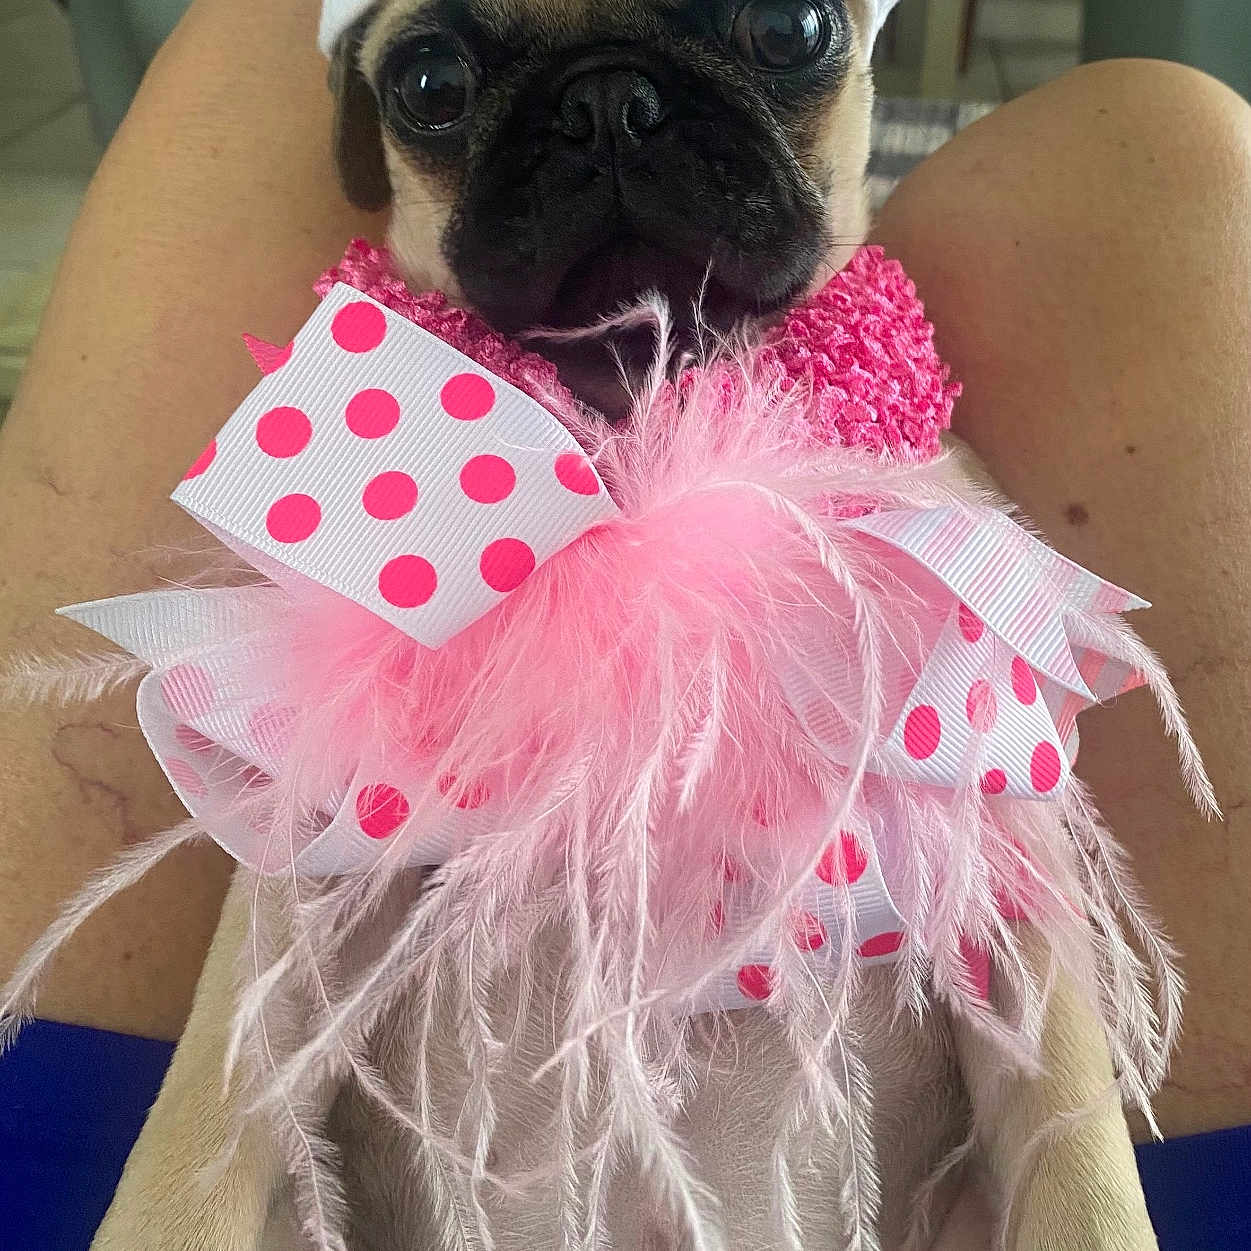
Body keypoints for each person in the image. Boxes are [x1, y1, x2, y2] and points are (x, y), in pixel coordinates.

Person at [0, 1, 1248, 1246]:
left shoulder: (912, 499)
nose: (615, 118)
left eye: (775, 34)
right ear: (362, 144)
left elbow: (1011, 898)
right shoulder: (408, 488)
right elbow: (298, 912)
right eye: (441, 82)